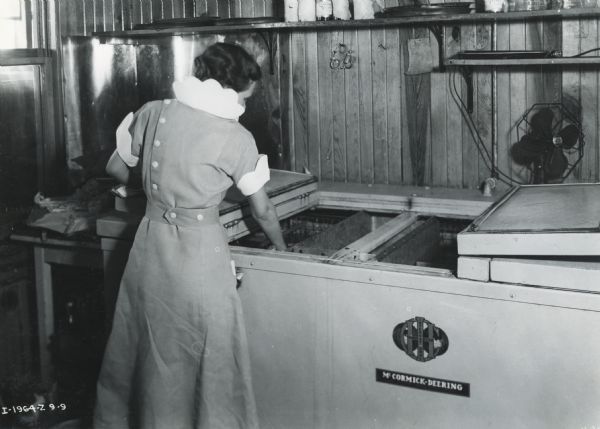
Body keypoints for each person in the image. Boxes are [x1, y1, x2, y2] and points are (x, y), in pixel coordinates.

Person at [94, 42, 287, 429]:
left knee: (147, 347)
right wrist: (281, 247)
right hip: (200, 254)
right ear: (233, 87)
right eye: (248, 92)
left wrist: (157, 190)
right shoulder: (236, 137)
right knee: (210, 351)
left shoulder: (154, 112)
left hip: (150, 244)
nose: (249, 100)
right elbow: (262, 209)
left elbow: (116, 167)